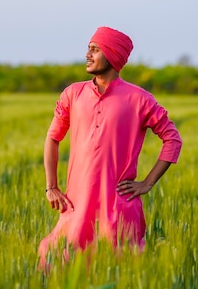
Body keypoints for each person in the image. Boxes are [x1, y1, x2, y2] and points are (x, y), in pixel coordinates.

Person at [38, 26, 182, 268]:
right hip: (76, 206)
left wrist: (147, 183)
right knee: (57, 263)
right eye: (88, 48)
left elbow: (173, 139)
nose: (87, 54)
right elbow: (53, 138)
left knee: (120, 273)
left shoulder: (140, 100)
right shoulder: (73, 94)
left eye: (95, 49)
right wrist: (51, 186)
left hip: (119, 209)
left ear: (113, 55)